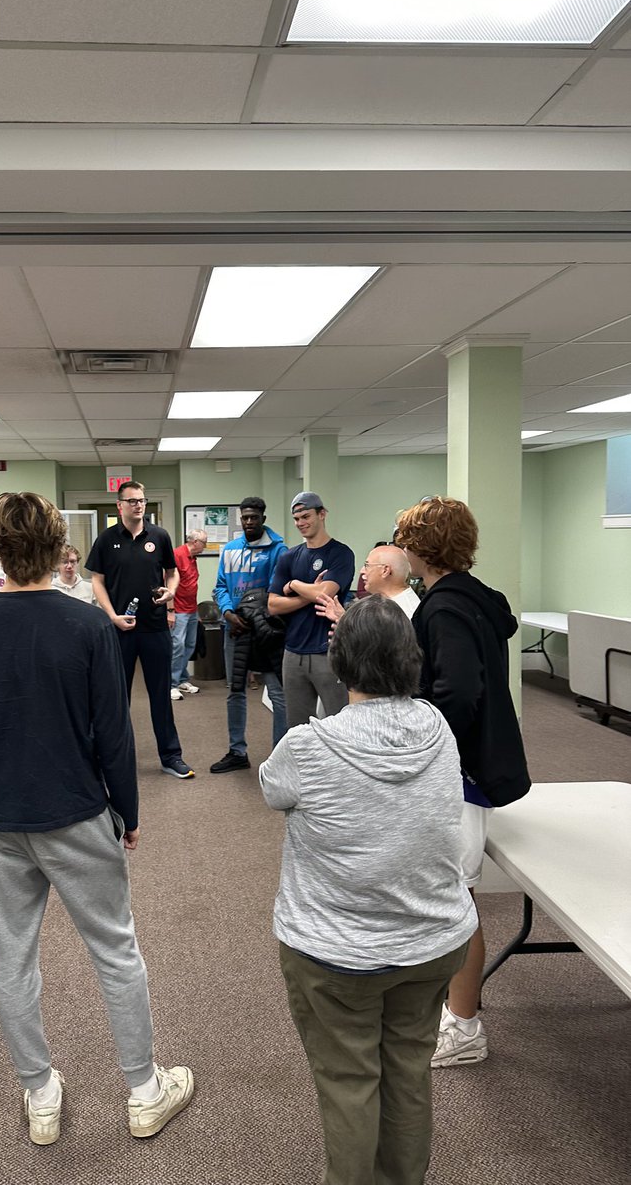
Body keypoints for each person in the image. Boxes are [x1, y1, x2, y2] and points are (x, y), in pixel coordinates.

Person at [0, 492, 194, 1146]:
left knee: (12, 961)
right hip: (77, 813)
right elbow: (113, 732)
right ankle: (144, 1091)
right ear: (60, 552)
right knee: (115, 949)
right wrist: (128, 811)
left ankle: (40, 1093)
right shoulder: (86, 625)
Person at [260, 595, 476, 1185]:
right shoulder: (437, 727)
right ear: (410, 658)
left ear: (339, 661)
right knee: (407, 1073)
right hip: (434, 944)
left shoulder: (308, 745)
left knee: (350, 1083)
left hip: (336, 954)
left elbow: (270, 790)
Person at [395, 495, 531, 1069]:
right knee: (450, 899)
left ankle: (466, 1028)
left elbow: (458, 694)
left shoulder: (444, 608)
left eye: (405, 539)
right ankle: (456, 1005)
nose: (399, 549)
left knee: (456, 903)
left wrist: (420, 742)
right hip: (476, 763)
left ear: (423, 547)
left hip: (462, 773)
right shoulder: (475, 597)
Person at [85, 482, 194, 779]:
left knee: (161, 694)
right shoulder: (107, 540)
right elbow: (97, 580)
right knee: (118, 698)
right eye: (131, 501)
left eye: (142, 500)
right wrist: (111, 616)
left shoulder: (159, 536)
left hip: (154, 627)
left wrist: (171, 593)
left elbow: (172, 574)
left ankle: (171, 756)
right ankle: (114, 758)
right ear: (120, 505)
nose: (138, 505)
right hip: (120, 629)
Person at [211, 498, 287, 772]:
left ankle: (281, 756)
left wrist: (255, 616)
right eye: (245, 517)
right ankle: (237, 752)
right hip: (235, 629)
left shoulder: (278, 549)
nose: (249, 522)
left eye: (254, 517)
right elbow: (220, 585)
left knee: (277, 693)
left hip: (265, 631)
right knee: (236, 690)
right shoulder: (230, 550)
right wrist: (228, 613)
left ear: (263, 518)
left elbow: (276, 590)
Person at [268, 492, 355, 728]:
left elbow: (324, 594)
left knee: (340, 723)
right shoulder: (289, 557)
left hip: (328, 651)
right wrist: (310, 593)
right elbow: (273, 605)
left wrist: (294, 585)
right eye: (296, 519)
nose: (300, 523)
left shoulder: (341, 554)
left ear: (322, 514)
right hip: (293, 653)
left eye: (306, 516)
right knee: (297, 727)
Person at [169, 528, 207, 701]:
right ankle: (171, 684)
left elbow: (191, 586)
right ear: (195, 542)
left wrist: (197, 611)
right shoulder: (177, 555)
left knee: (190, 645)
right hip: (178, 610)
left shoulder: (193, 558)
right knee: (177, 646)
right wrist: (170, 611)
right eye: (204, 543)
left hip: (191, 610)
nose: (205, 546)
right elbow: (167, 584)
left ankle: (183, 679)